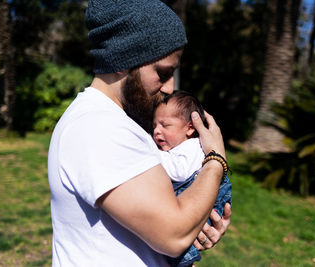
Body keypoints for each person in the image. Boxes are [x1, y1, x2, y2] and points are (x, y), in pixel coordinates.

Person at [48, 0, 231, 266]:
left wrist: (198, 224)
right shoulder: (98, 127)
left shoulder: (118, 122)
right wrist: (215, 159)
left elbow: (172, 228)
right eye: (162, 73)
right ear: (122, 60)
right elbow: (173, 233)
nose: (169, 87)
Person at [153, 91, 232, 267]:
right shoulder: (180, 146)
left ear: (190, 128)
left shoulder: (192, 146)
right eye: (155, 125)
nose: (157, 130)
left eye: (165, 125)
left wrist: (149, 151)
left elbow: (179, 172)